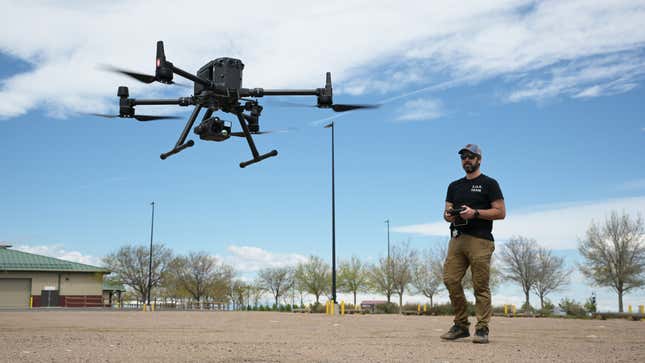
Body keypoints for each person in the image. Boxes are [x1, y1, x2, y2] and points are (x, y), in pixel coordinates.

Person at [440, 144, 505, 344]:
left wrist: (475, 212)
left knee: (480, 286)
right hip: (457, 239)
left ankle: (482, 328)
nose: (466, 160)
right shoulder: (454, 186)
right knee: (450, 280)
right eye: (463, 157)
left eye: (470, 157)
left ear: (479, 160)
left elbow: (500, 212)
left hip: (481, 240)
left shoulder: (489, 184)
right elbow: (446, 212)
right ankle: (461, 325)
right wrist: (449, 215)